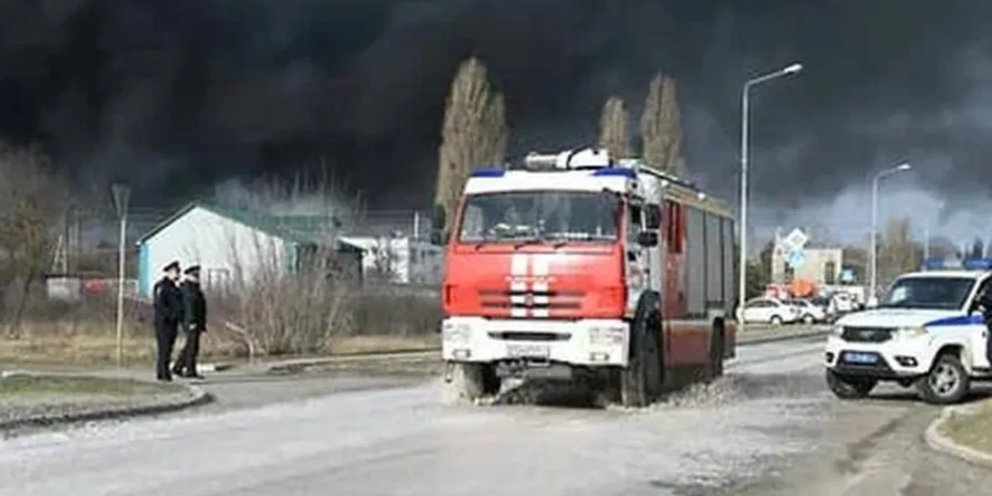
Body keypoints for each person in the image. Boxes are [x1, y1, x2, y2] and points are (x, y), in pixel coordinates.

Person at [173, 265, 207, 379]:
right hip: (191, 322)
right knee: (192, 347)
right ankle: (190, 370)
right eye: (195, 275)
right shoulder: (188, 288)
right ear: (190, 276)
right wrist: (192, 321)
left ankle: (178, 368)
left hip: (196, 321)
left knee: (190, 346)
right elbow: (189, 307)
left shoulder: (195, 287)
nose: (197, 277)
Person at [153, 261, 183, 381]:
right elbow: (160, 305)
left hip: (172, 323)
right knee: (164, 348)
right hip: (164, 323)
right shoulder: (162, 286)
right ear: (169, 272)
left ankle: (163, 372)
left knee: (168, 348)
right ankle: (163, 373)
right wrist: (171, 315)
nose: (178, 274)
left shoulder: (173, 286)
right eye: (176, 272)